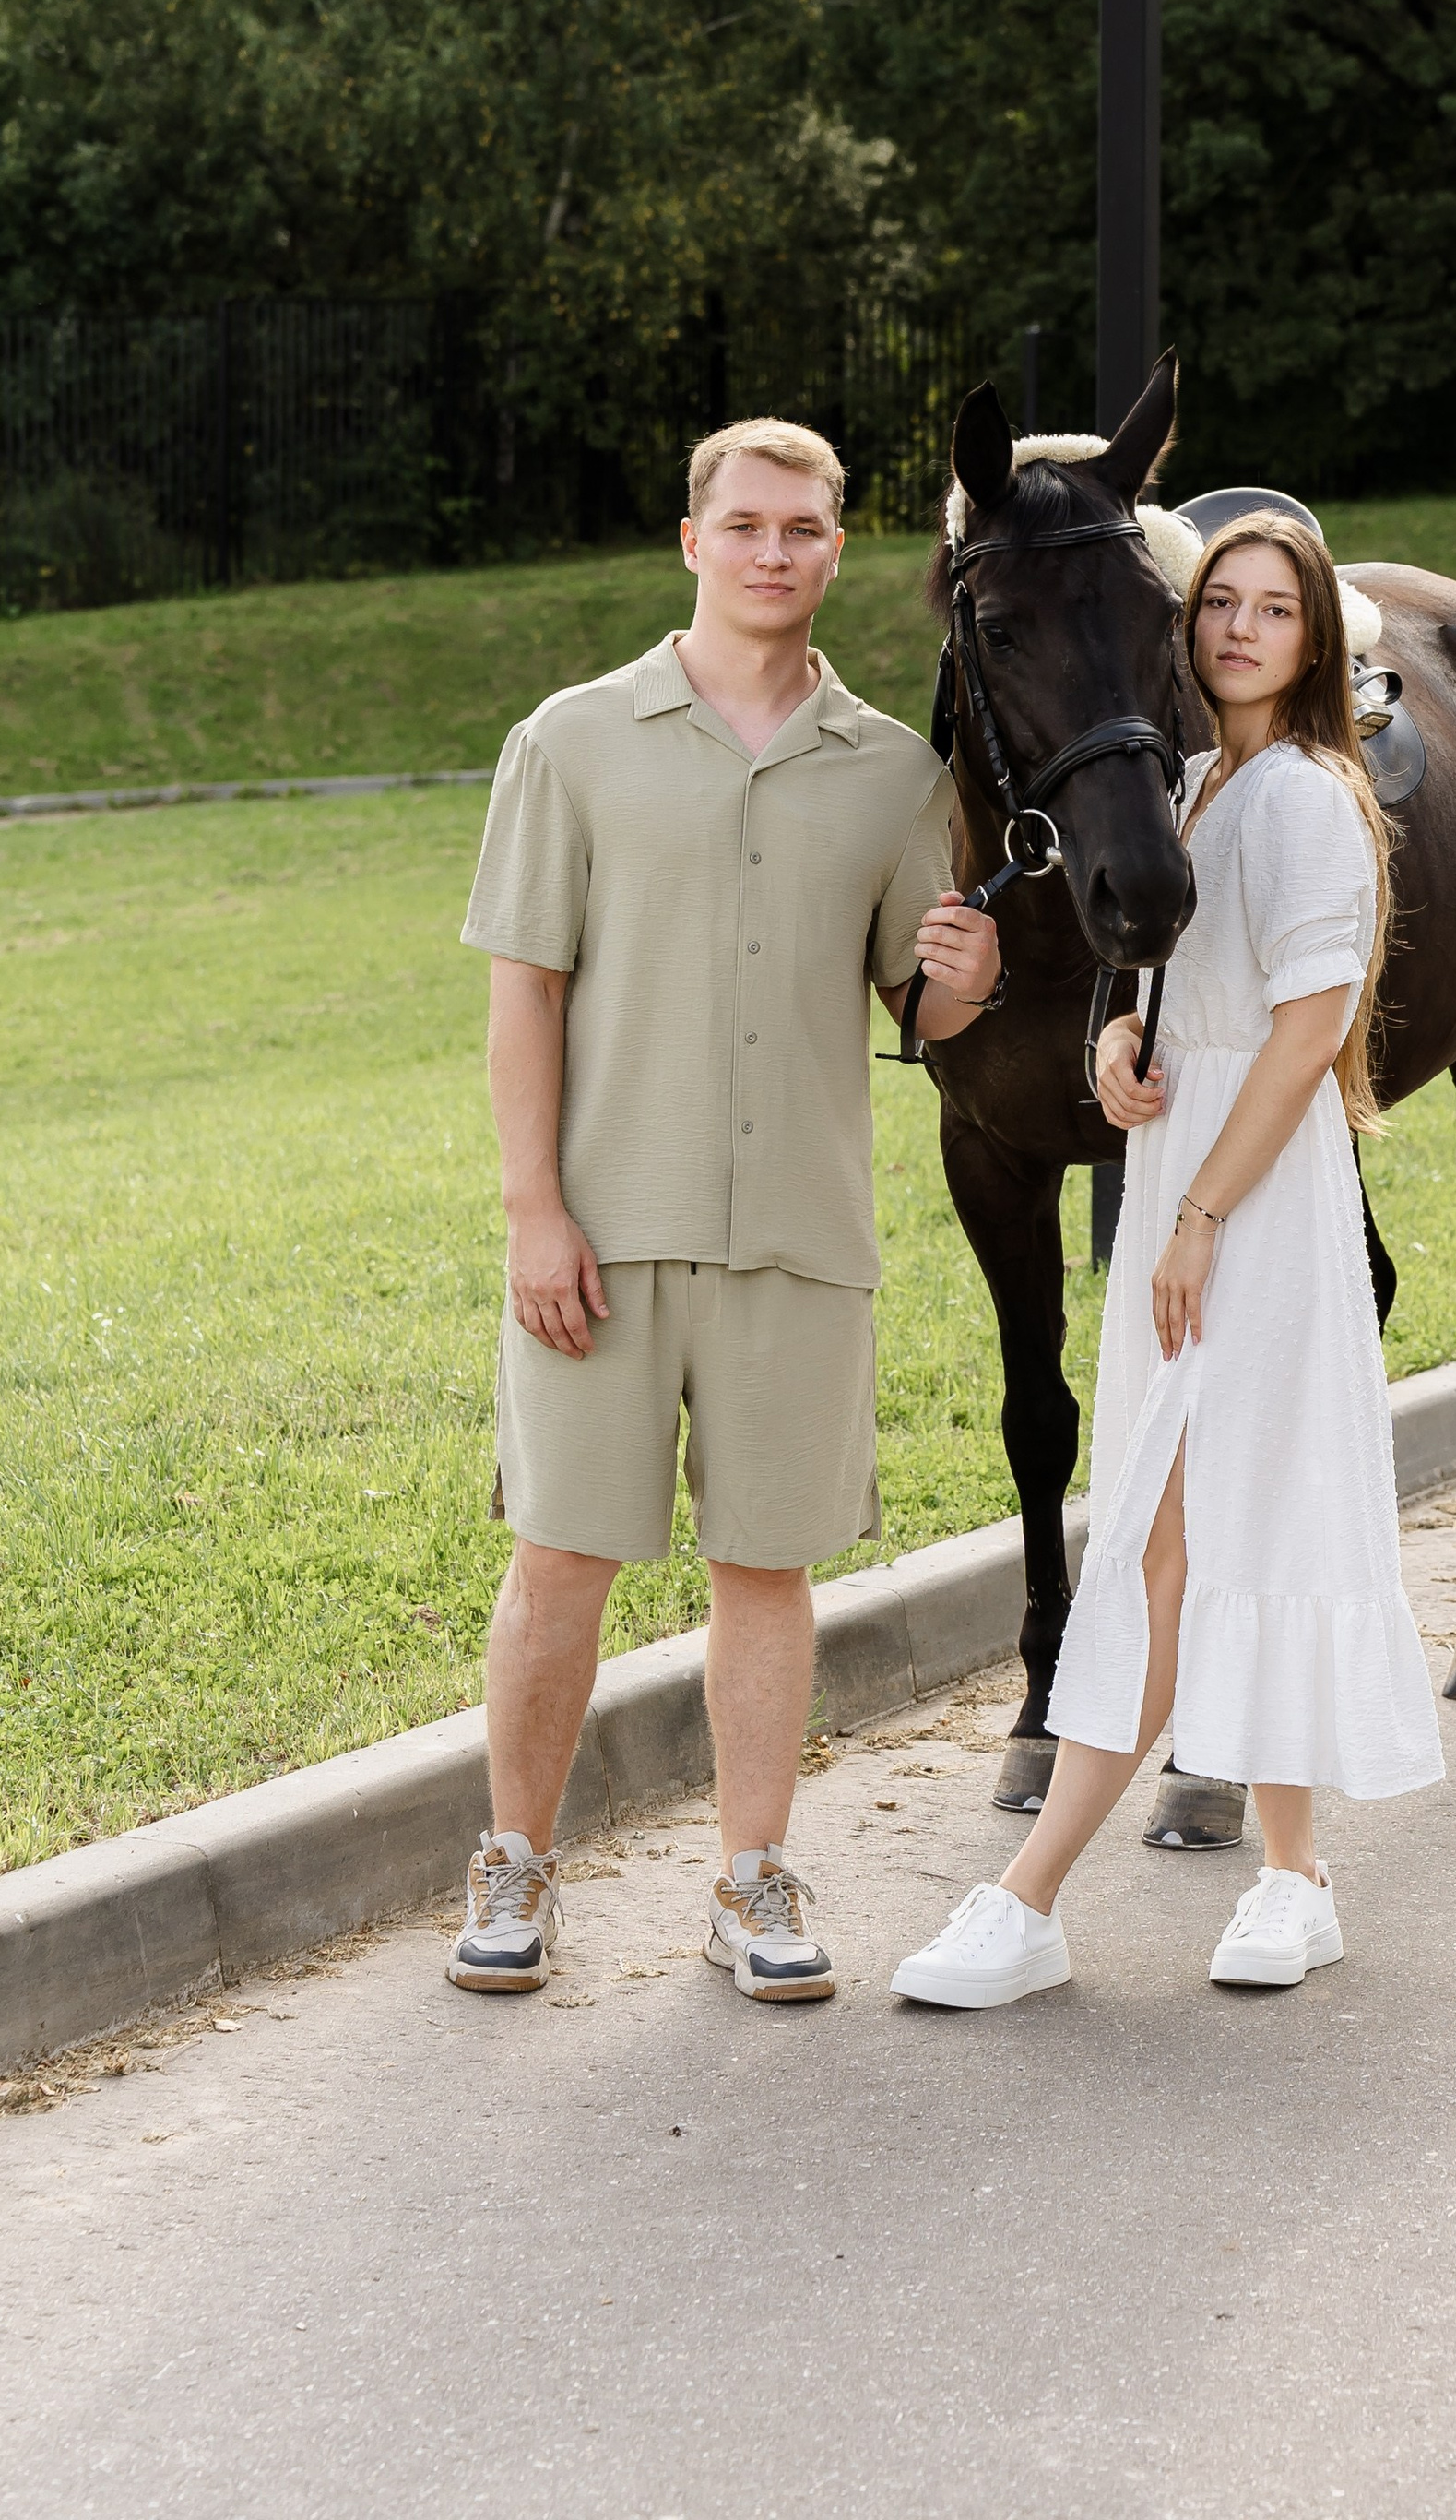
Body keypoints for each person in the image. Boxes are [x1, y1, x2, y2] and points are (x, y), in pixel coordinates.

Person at [448, 417, 1000, 2001]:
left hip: (800, 1241)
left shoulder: (899, 769)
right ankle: (515, 1866)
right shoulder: (570, 740)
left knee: (770, 1567)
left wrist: (967, 983)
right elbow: (524, 995)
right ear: (691, 540)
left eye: (806, 530)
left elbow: (925, 1006)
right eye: (747, 525)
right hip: (601, 1238)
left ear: (839, 550)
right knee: (562, 1557)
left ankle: (751, 1878)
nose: (776, 552)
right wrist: (531, 1209)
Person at [891, 511, 1444, 2008]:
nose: (1243, 629)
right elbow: (1185, 989)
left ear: (1319, 640)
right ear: (1185, 630)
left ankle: (1031, 1894)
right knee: (1216, 1518)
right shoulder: (1191, 785)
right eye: (1222, 604)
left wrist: (1201, 1208)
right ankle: (1293, 1876)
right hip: (1181, 1169)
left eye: (1277, 609)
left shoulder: (1315, 798)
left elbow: (1313, 1030)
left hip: (1250, 1193)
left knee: (1165, 1536)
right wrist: (1129, 1046)